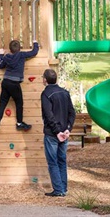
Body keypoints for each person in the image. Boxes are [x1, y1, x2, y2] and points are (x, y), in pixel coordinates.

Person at [41, 69, 76, 197]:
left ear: (45, 79)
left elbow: (49, 116)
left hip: (52, 134)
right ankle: (64, 188)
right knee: (62, 160)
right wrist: (68, 129)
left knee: (53, 162)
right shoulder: (65, 93)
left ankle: (58, 190)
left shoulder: (46, 94)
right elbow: (72, 113)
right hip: (64, 134)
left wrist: (57, 132)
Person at [0, 40, 39, 133]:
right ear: (19, 48)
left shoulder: (7, 57)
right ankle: (19, 123)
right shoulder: (21, 55)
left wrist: (1, 55)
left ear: (10, 49)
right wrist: (35, 43)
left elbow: (1, 66)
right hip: (14, 83)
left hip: (5, 82)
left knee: (3, 103)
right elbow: (34, 52)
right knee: (19, 103)